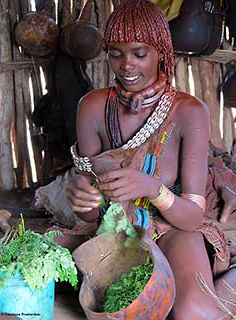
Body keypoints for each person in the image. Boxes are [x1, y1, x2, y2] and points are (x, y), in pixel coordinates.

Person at [66, 0, 236, 319]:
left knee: (192, 313)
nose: (126, 65)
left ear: (161, 52)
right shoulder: (92, 108)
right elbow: (90, 211)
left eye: (139, 53)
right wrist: (82, 197)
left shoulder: (189, 112)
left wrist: (152, 189)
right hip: (114, 226)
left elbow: (192, 217)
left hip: (174, 225)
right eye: (115, 53)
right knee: (115, 308)